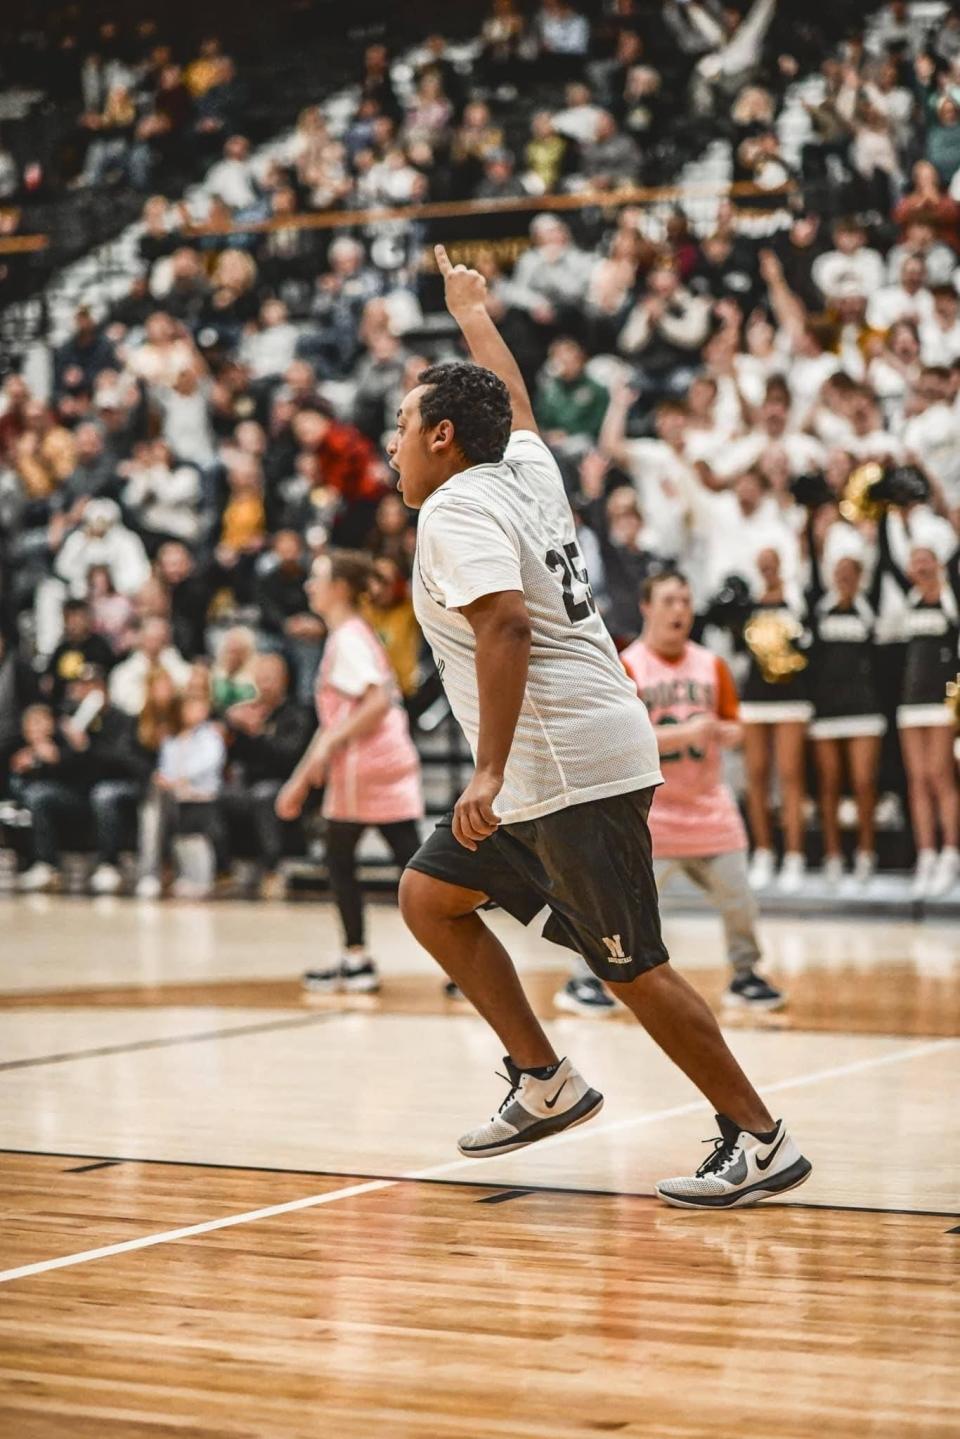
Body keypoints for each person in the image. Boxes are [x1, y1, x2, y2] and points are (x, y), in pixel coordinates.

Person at [393, 246, 810, 1210]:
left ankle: (759, 1138)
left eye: (403, 427)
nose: (393, 445)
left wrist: (485, 770)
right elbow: (518, 402)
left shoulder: (455, 505)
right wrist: (472, 313)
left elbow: (505, 623)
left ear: (444, 436)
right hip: (569, 760)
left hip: (562, 765)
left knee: (632, 967)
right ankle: (544, 1078)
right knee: (427, 895)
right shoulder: (522, 467)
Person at [620, 571, 785, 1010]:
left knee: (739, 899)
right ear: (646, 607)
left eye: (686, 602)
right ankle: (589, 979)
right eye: (670, 601)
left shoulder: (711, 664)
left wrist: (727, 733)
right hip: (652, 813)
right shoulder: (628, 665)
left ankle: (746, 975)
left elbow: (735, 725)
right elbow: (623, 742)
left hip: (709, 806)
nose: (679, 611)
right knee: (619, 906)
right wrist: (687, 733)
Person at [276, 551, 425, 993]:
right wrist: (303, 776)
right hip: (383, 763)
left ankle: (357, 958)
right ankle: (459, 963)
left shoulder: (348, 639)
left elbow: (375, 702)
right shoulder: (352, 634)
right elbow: (336, 721)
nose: (309, 586)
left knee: (351, 859)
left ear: (340, 588)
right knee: (411, 865)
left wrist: (309, 771)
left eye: (317, 578)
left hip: (369, 766)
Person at [806, 528, 885, 887]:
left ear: (860, 577)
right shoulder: (818, 609)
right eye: (839, 573)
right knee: (829, 785)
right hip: (827, 710)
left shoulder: (872, 609)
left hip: (865, 709)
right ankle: (833, 855)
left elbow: (886, 567)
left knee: (864, 782)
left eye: (851, 573)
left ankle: (866, 854)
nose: (844, 578)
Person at [739, 547, 813, 894]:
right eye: (762, 563)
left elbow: (809, 644)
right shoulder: (750, 601)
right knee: (755, 776)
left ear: (780, 564)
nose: (767, 567)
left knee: (789, 775)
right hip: (755, 697)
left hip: (791, 696)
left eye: (772, 562)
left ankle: (795, 856)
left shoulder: (797, 599)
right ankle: (764, 853)